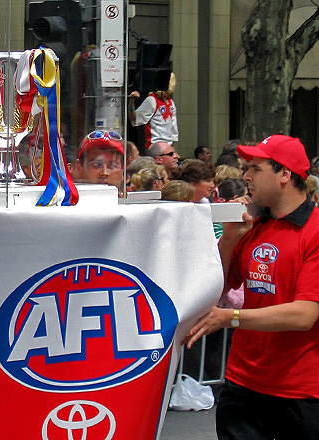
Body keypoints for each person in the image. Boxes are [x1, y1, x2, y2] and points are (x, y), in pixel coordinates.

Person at [185, 134, 319, 440]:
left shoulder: (314, 231)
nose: (246, 176)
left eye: (256, 169)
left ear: (285, 174)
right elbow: (217, 285)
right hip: (243, 384)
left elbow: (304, 316)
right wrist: (230, 237)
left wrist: (231, 318)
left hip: (298, 390)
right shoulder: (255, 227)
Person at [129, 73, 178, 149]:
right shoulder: (152, 100)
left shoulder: (170, 102)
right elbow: (134, 119)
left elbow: (173, 128)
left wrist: (173, 149)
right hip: (154, 146)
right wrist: (132, 101)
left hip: (168, 147)